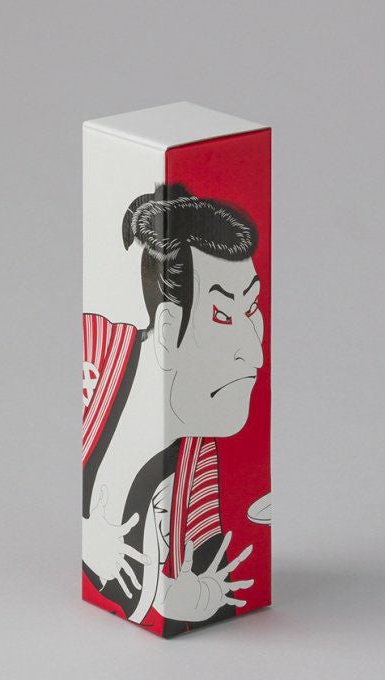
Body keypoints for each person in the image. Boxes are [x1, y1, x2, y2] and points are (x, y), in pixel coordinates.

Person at [82, 184, 263, 635]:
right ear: (166, 330)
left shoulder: (197, 461)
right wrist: (89, 548)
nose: (256, 353)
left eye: (253, 308)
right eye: (222, 315)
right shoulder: (96, 354)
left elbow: (204, 579)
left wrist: (191, 603)